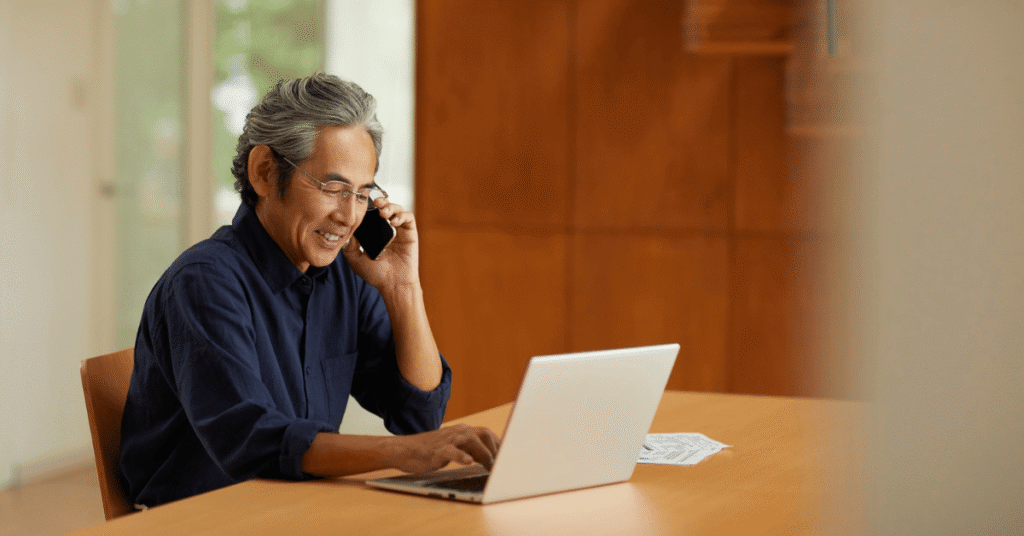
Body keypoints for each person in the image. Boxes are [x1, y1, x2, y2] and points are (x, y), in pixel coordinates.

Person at [119, 73, 499, 508]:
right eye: (334, 188)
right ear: (264, 172)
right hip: (197, 518)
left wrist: (402, 287)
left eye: (363, 194)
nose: (349, 216)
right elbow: (250, 440)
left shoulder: (345, 275)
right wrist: (400, 454)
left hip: (292, 508)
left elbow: (419, 415)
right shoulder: (204, 281)